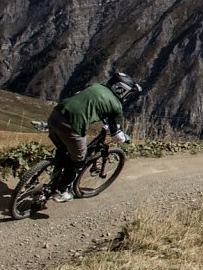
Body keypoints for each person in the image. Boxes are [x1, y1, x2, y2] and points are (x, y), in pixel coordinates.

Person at [46, 71, 141, 202]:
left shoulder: (95, 86)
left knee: (65, 149)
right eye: (128, 93)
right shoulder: (116, 106)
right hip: (72, 126)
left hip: (55, 116)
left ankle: (55, 173)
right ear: (122, 90)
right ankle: (61, 191)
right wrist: (126, 138)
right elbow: (117, 136)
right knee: (80, 158)